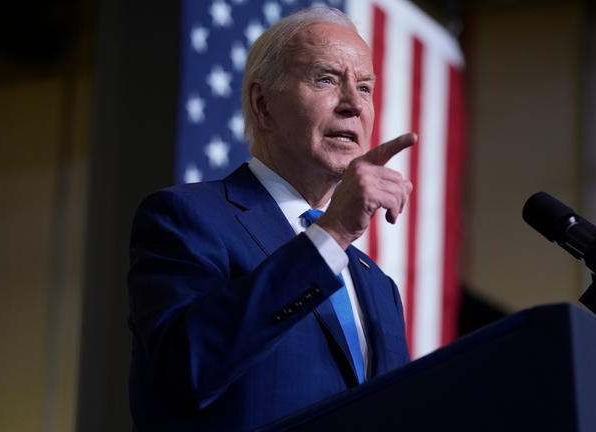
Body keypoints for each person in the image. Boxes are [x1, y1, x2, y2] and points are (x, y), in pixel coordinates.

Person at [128, 6, 415, 431]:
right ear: (262, 105)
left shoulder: (379, 286)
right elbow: (181, 372)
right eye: (326, 79)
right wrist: (333, 233)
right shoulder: (185, 218)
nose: (354, 104)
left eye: (365, 87)